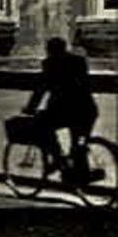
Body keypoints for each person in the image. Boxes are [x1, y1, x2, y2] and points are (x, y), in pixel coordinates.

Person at [23, 36, 101, 184]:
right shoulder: (79, 61)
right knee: (78, 143)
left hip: (64, 111)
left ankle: (58, 159)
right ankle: (80, 174)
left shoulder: (50, 64)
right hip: (87, 110)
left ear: (50, 51)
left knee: (40, 126)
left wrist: (30, 108)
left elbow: (41, 88)